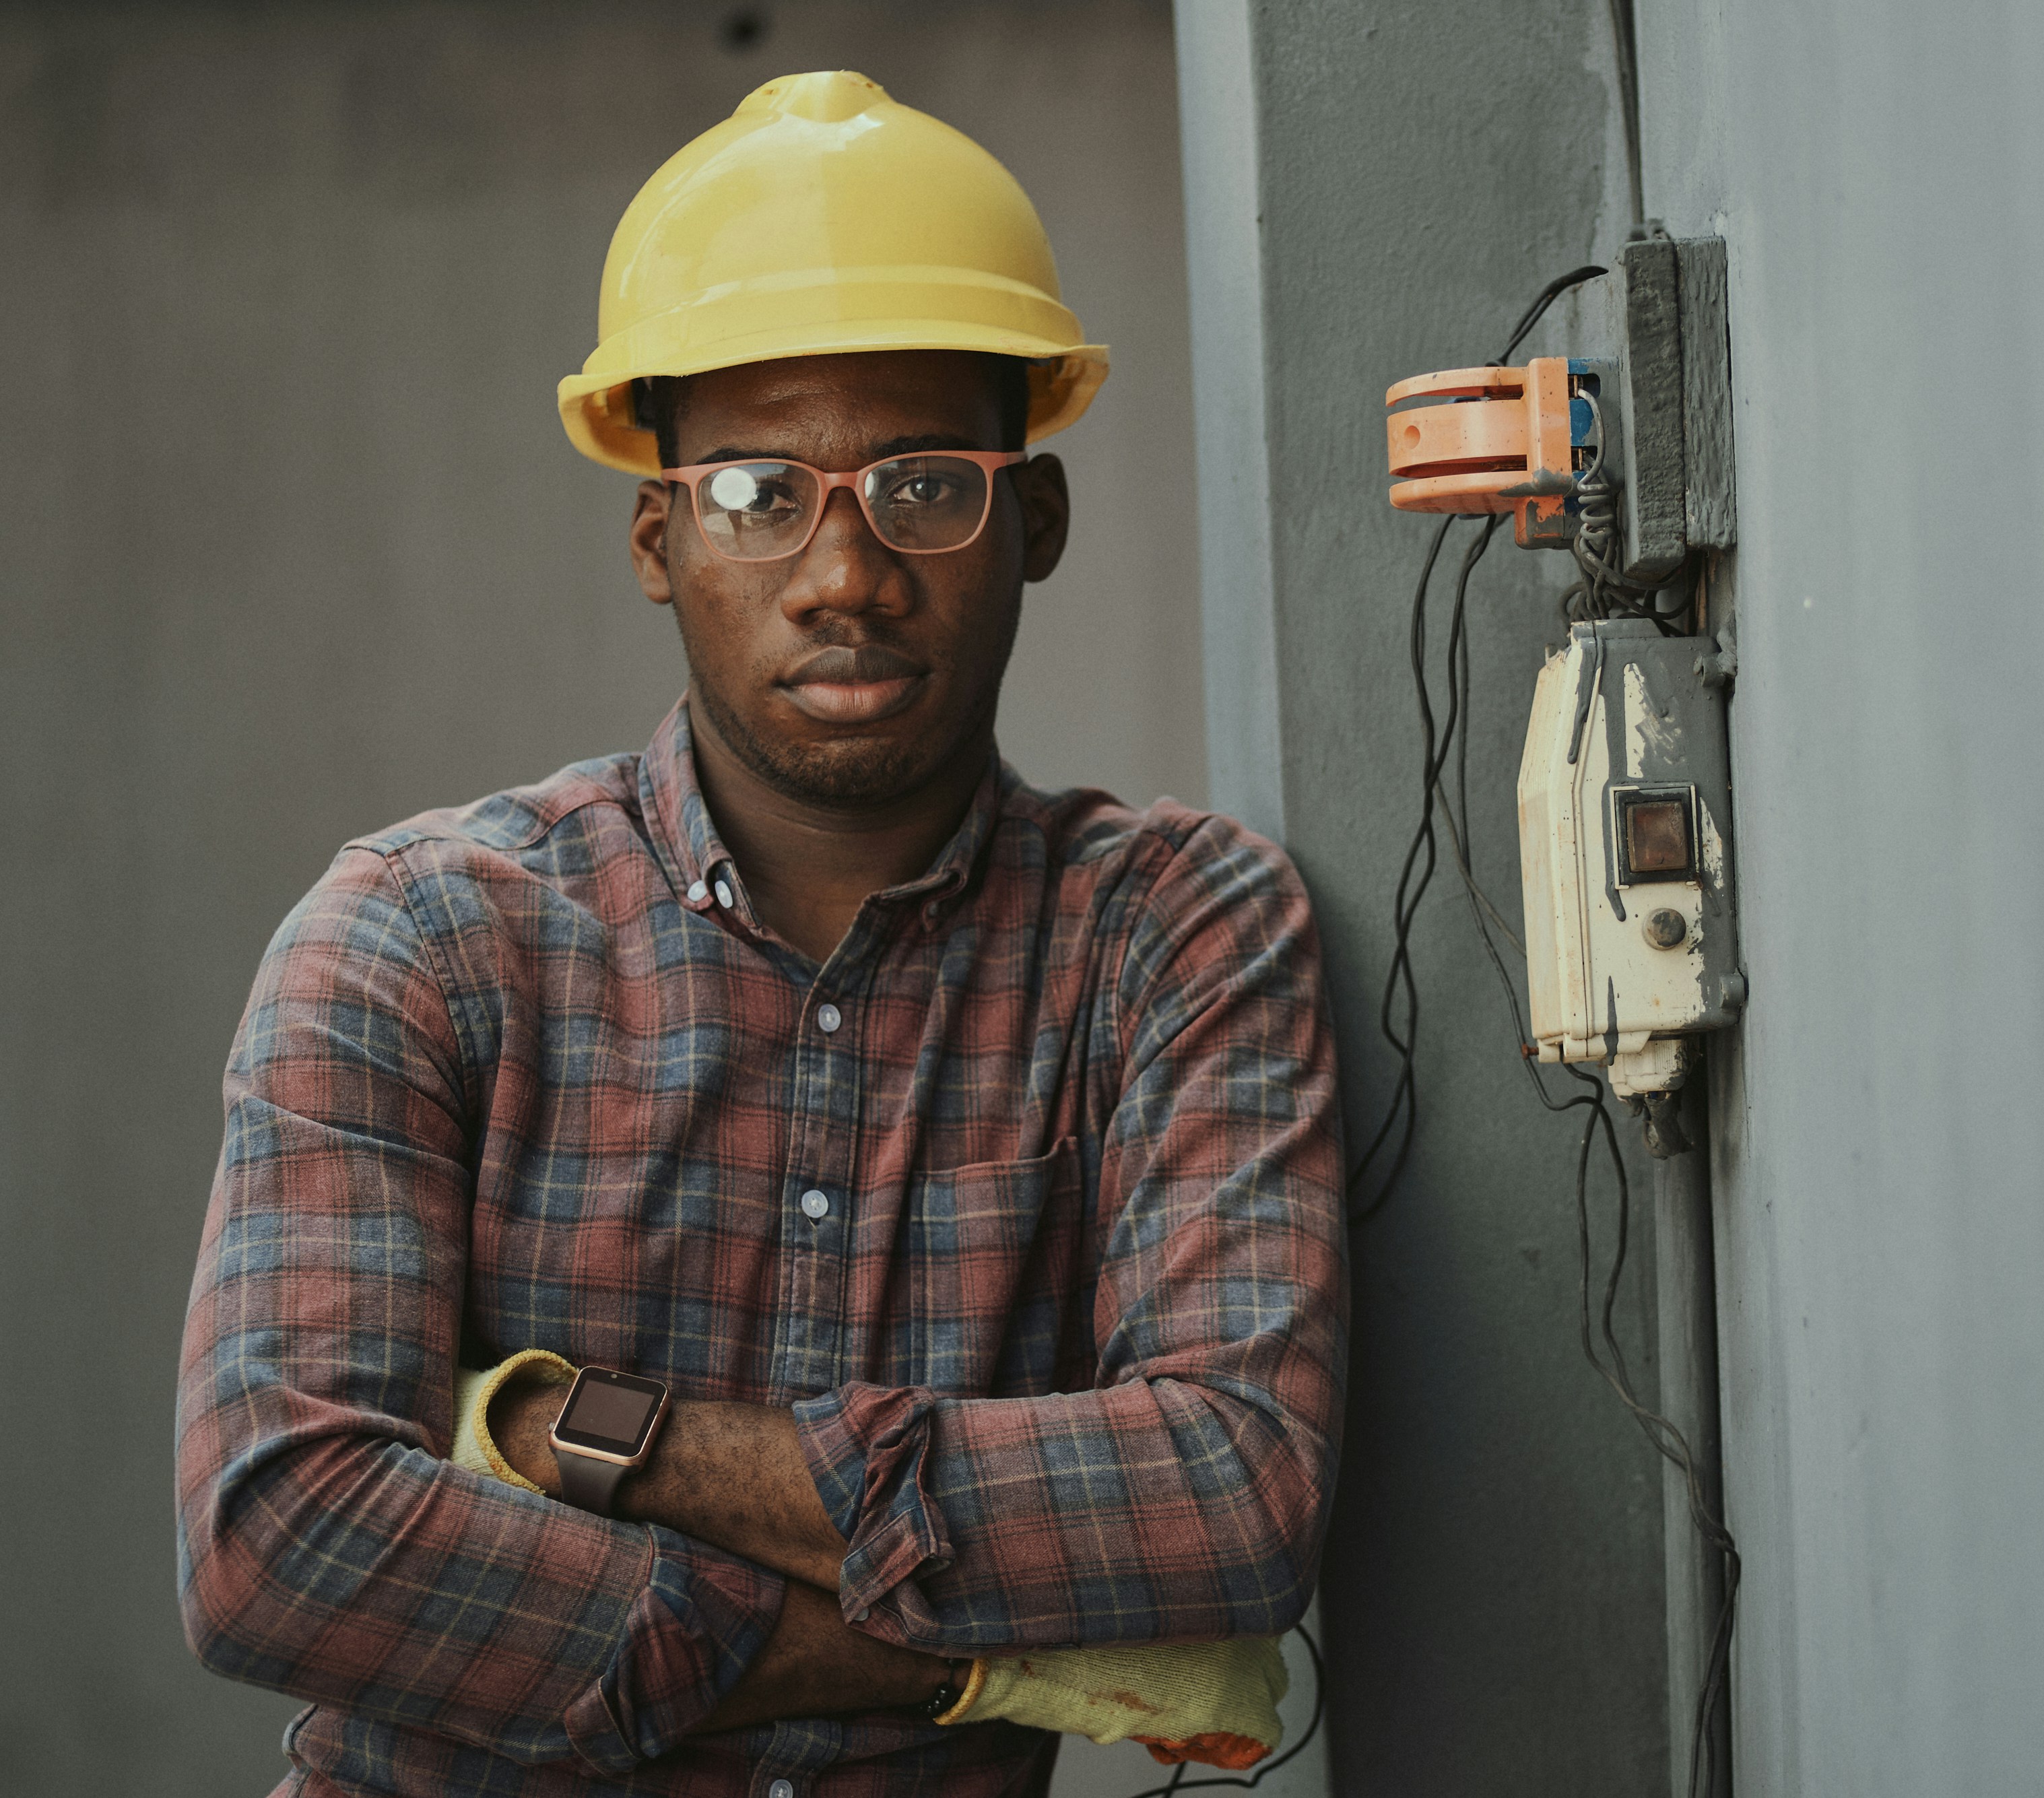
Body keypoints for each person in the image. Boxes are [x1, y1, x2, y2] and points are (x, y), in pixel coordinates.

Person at [175, 71, 1345, 1798]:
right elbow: (279, 1539)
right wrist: (963, 1660)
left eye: (924, 487)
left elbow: (1234, 1496)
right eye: (753, 495)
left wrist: (598, 1442)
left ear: (1037, 522)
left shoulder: (1172, 935)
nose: (845, 571)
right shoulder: (418, 938)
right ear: (660, 539)